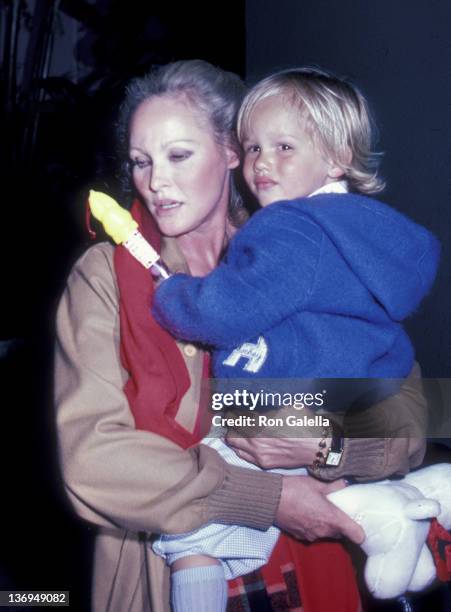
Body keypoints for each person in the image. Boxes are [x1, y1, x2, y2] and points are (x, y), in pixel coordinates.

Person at [55, 60, 428, 612]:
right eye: (140, 161)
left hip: (316, 565)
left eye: (179, 155)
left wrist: (329, 445)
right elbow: (92, 460)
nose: (155, 181)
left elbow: (412, 415)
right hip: (172, 569)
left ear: (232, 153)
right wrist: (269, 498)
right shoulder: (106, 277)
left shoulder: (298, 247)